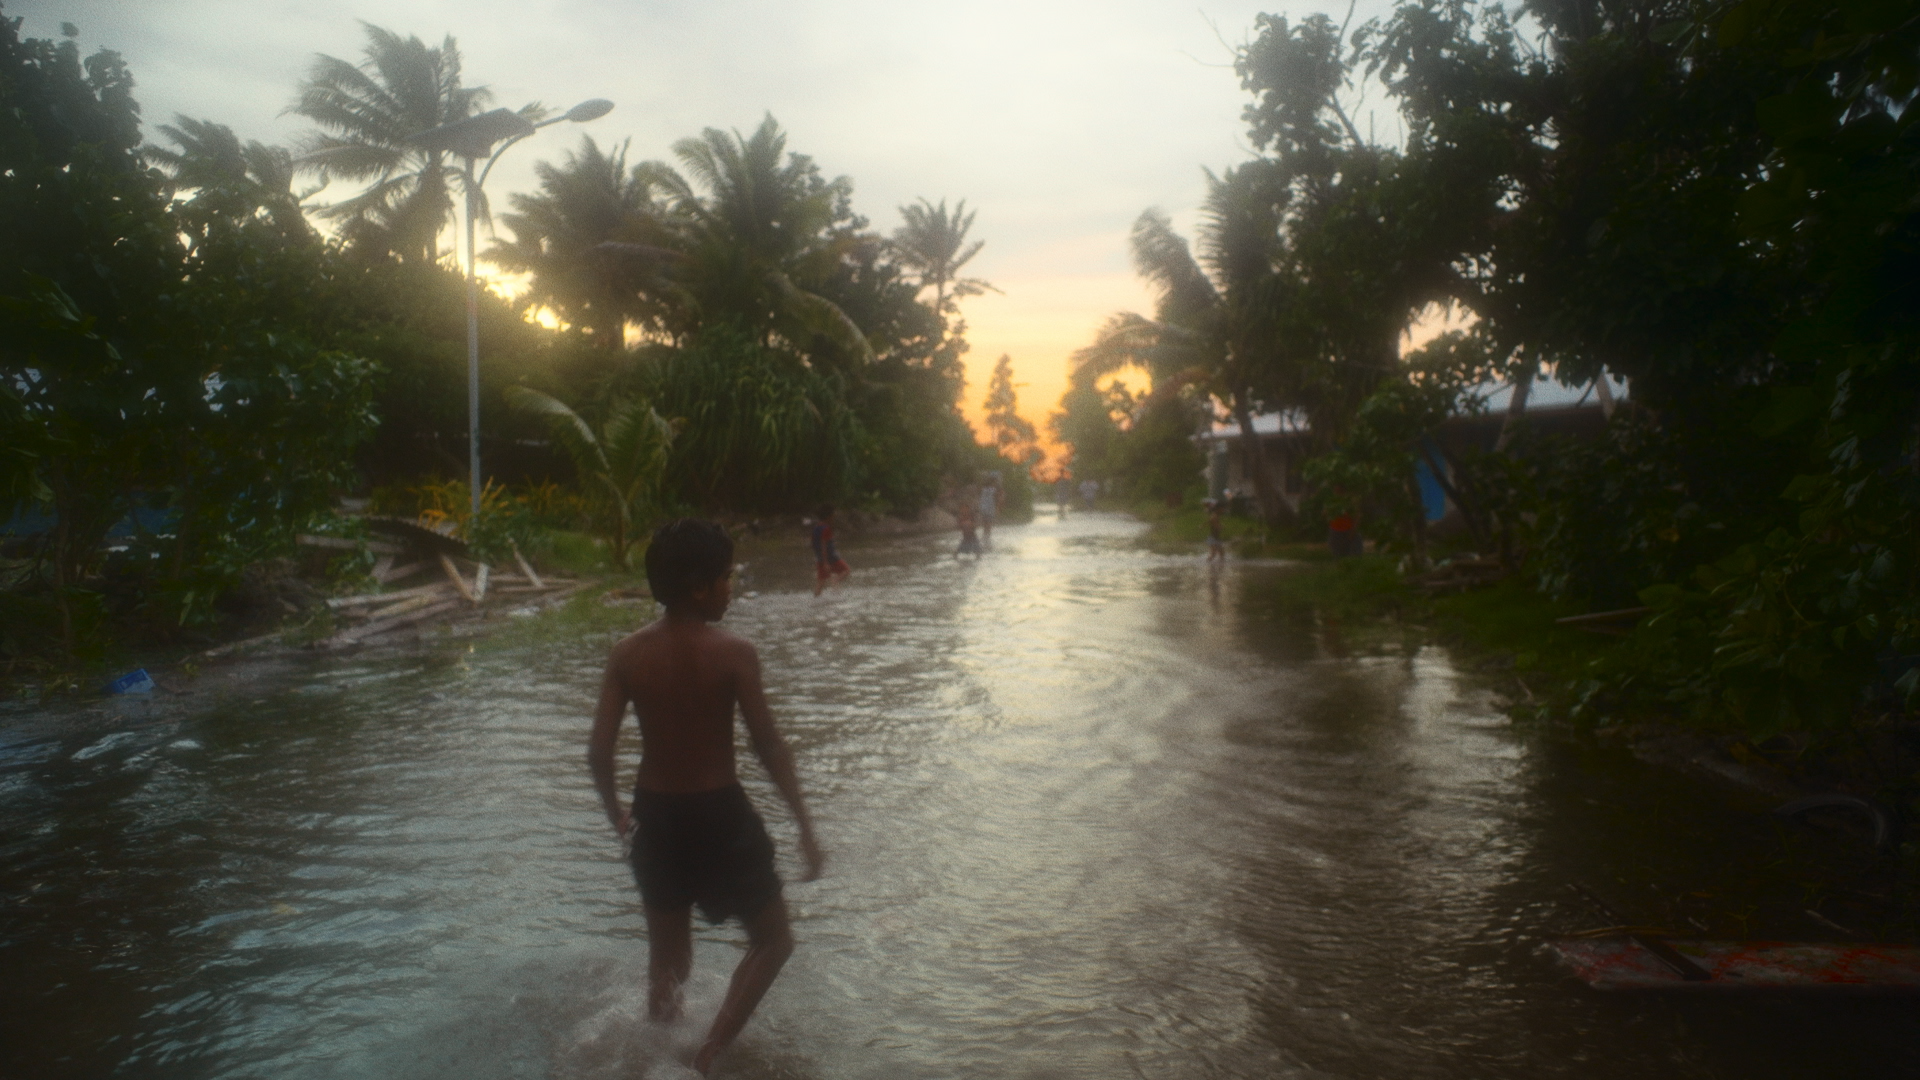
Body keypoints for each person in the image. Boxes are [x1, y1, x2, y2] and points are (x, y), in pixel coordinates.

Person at [589, 519, 825, 1076]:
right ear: (699, 586)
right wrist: (805, 825)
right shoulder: (734, 653)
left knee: (669, 961)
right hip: (720, 815)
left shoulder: (627, 654)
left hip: (656, 816)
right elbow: (768, 746)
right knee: (773, 940)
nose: (730, 588)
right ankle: (709, 1054)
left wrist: (617, 815)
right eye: (725, 578)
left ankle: (651, 1059)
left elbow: (598, 754)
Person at [810, 504, 850, 596]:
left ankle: (815, 602)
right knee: (846, 570)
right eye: (833, 515)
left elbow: (814, 544)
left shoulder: (816, 528)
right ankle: (835, 582)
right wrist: (826, 562)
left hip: (819, 558)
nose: (834, 517)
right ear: (829, 516)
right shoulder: (826, 529)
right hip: (830, 557)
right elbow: (823, 546)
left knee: (821, 582)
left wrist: (819, 558)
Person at [976, 474, 1002, 550]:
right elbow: (998, 497)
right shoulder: (993, 490)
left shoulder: (983, 489)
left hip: (983, 508)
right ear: (993, 483)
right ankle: (987, 538)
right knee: (989, 524)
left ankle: (984, 537)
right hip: (990, 509)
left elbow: (979, 493)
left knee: (985, 524)